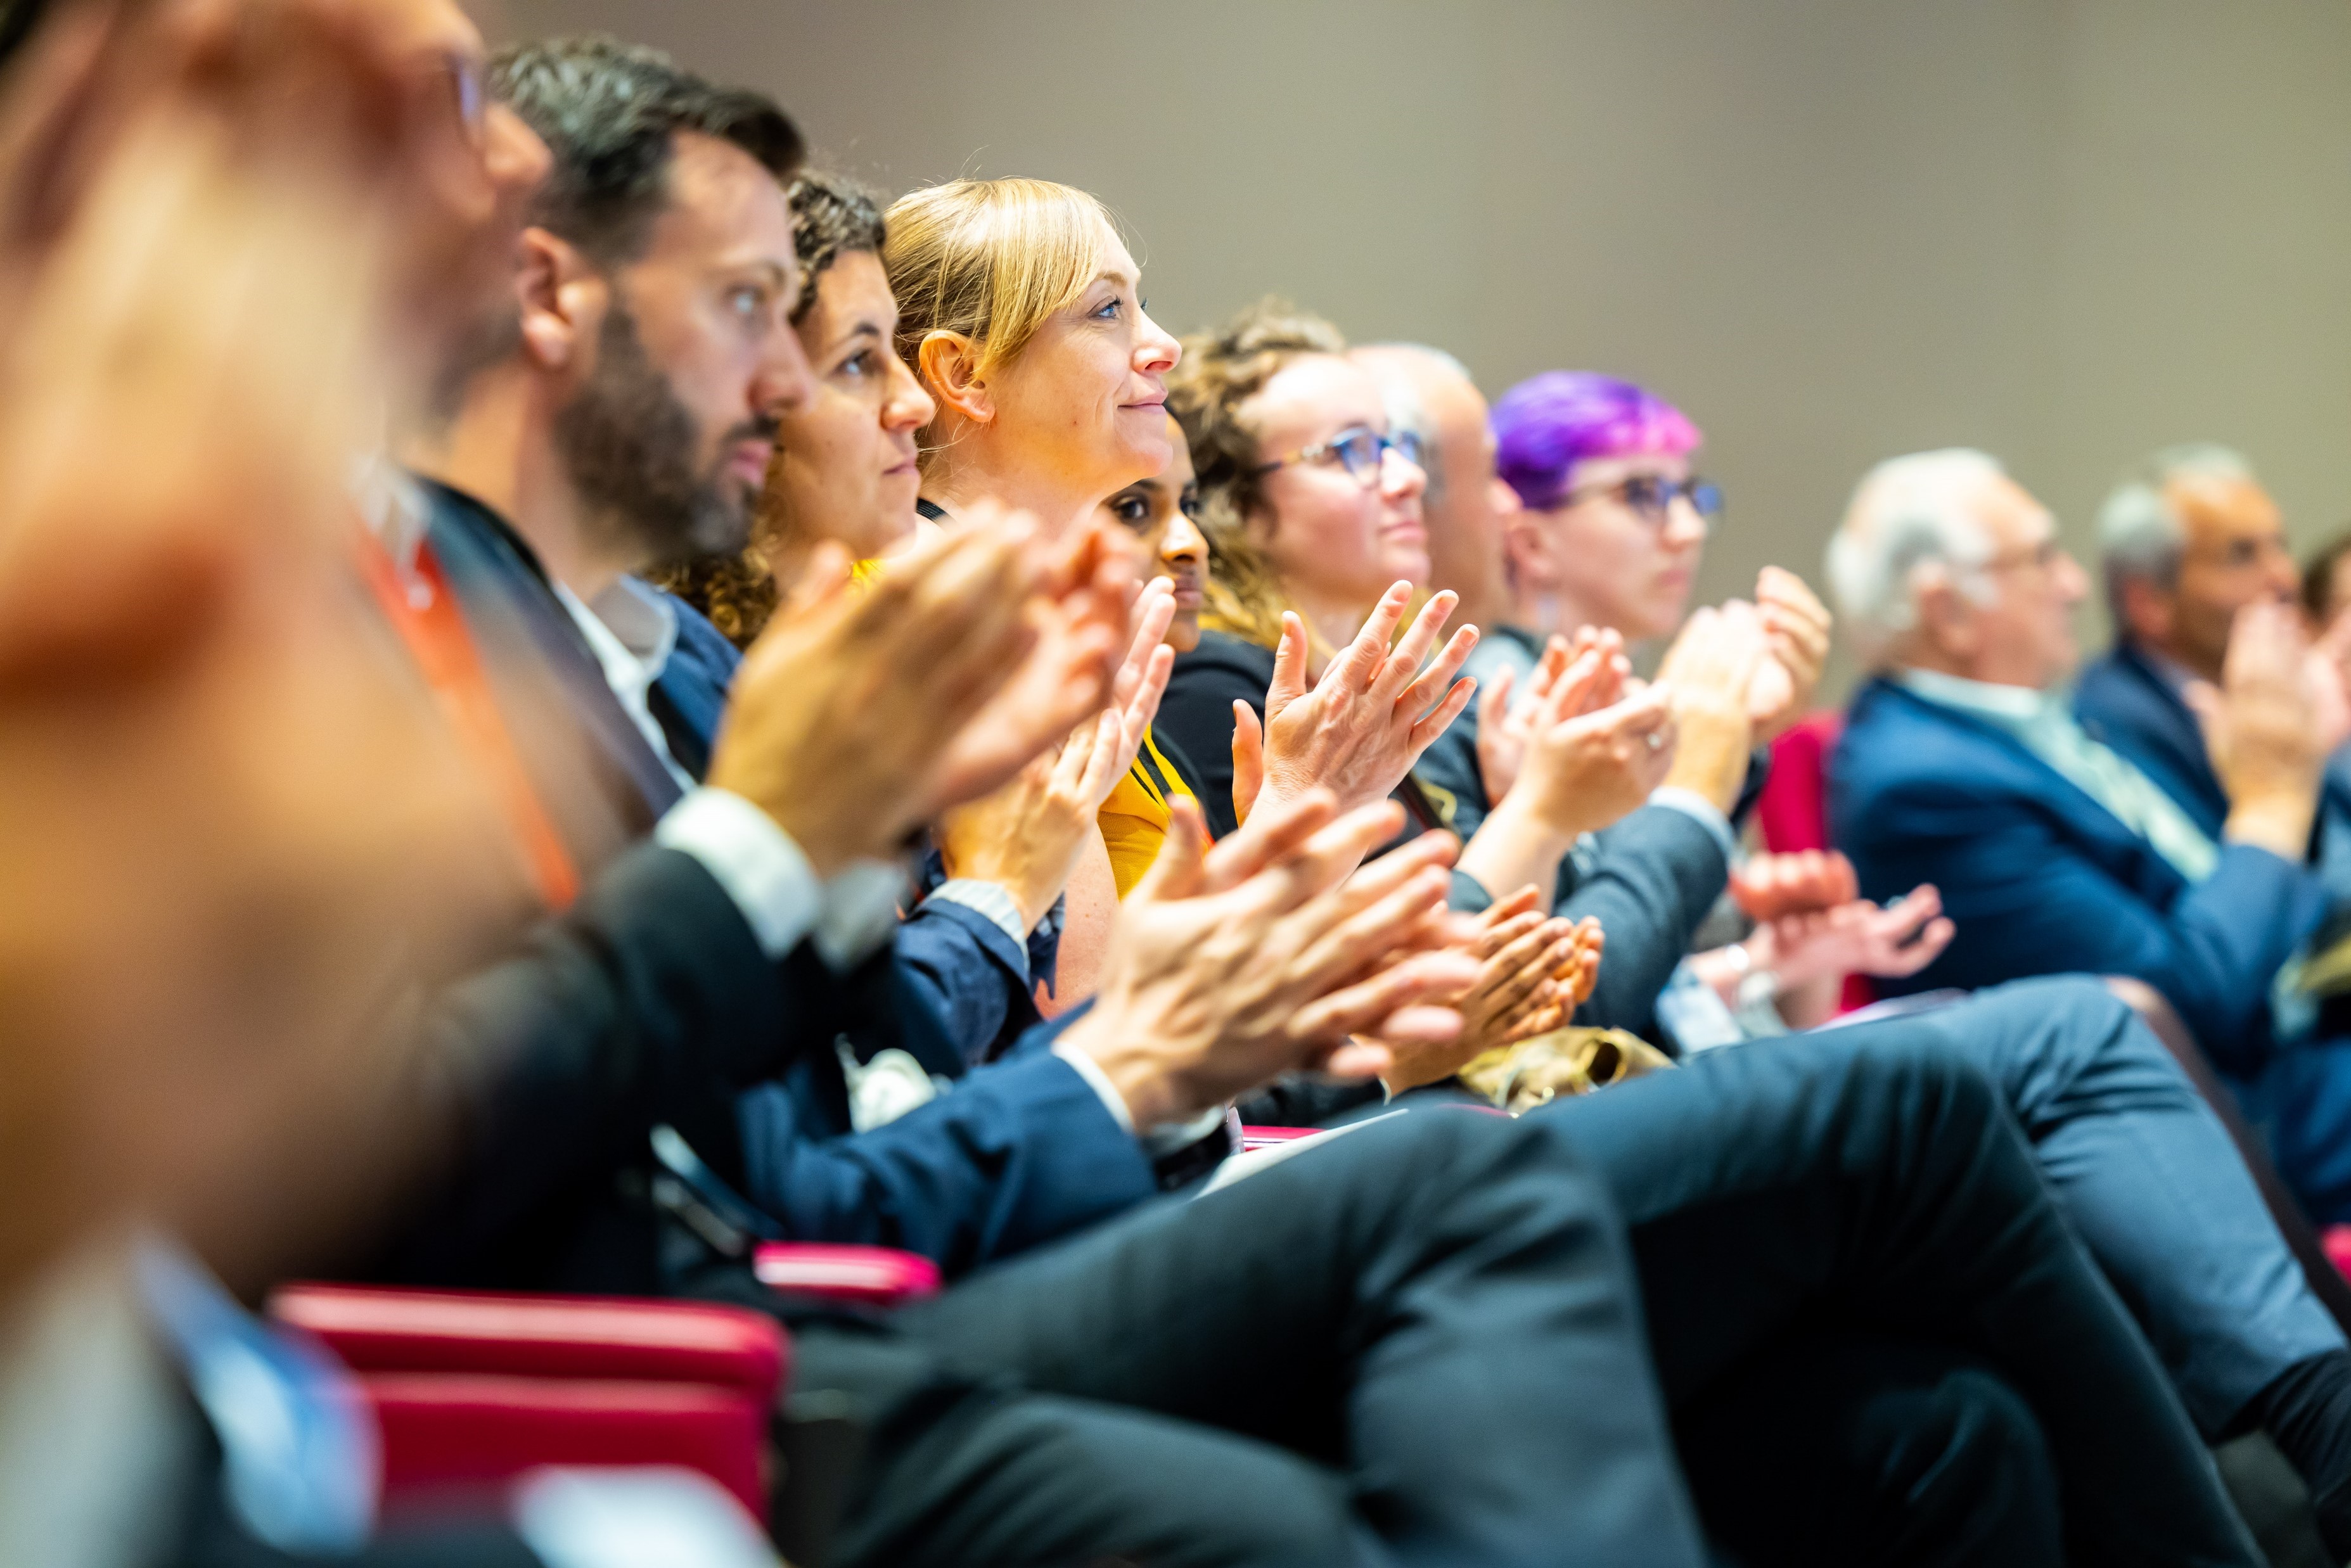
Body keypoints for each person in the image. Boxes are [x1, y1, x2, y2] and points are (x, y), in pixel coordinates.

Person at [1823, 449, 2351, 1215]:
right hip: (2229, 1128)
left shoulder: (2043, 715)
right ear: (1949, 611)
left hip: (2290, 1045)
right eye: (2039, 558)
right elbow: (2182, 1018)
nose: (2073, 585)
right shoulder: (1925, 788)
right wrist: (2274, 798)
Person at [2077, 443, 2351, 860]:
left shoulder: (2283, 694)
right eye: (2242, 555)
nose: (2285, 578)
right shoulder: (2111, 730)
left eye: (2281, 546)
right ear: (2149, 601)